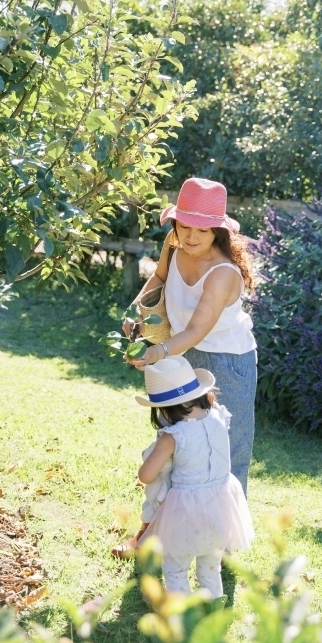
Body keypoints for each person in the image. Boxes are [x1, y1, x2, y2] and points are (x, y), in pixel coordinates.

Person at [124, 177, 257, 494]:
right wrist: (135, 313)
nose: (191, 235)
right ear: (176, 222)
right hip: (180, 351)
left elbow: (198, 329)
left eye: (202, 229)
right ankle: (165, 526)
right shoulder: (174, 244)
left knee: (223, 447)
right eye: (185, 225)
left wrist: (156, 353)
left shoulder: (223, 273)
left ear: (217, 232)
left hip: (228, 364)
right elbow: (158, 277)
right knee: (176, 443)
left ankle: (222, 536)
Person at [135, 355, 254, 598]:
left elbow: (146, 475)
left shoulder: (173, 436)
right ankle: (212, 613)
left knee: (175, 566)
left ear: (164, 407)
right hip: (221, 506)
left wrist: (154, 453)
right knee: (210, 568)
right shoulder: (219, 416)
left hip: (186, 511)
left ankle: (182, 618)